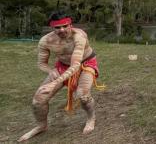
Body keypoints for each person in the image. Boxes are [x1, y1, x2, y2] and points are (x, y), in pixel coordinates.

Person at [18, 12, 103, 142]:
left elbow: (75, 65)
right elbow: (41, 63)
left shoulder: (79, 36)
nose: (62, 30)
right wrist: (50, 70)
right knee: (38, 99)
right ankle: (41, 126)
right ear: (52, 28)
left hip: (85, 64)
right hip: (62, 66)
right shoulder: (45, 41)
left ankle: (91, 118)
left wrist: (55, 82)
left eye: (65, 26)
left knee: (82, 95)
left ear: (70, 25)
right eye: (57, 27)